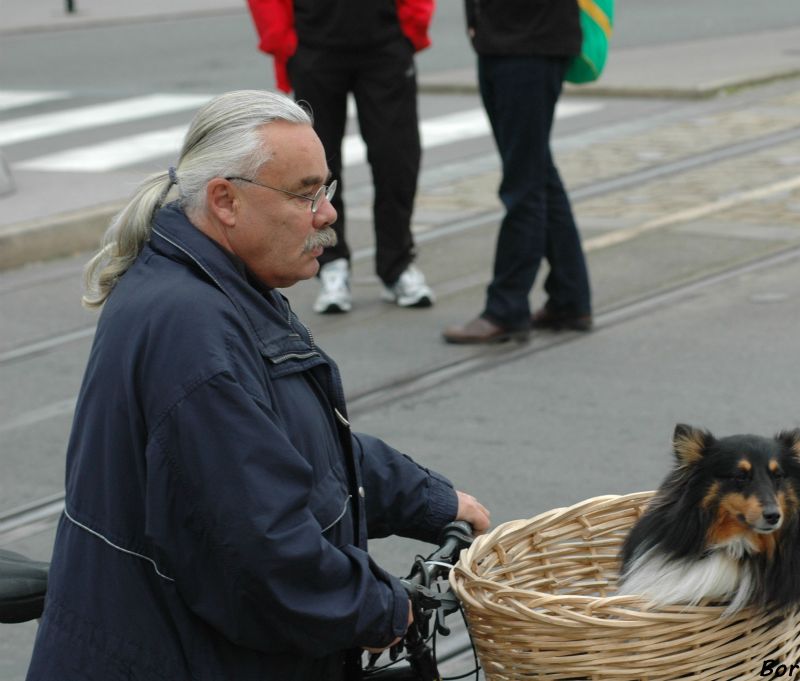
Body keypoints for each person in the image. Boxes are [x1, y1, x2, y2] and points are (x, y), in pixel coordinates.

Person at [26, 90, 490, 681]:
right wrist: (383, 609)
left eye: (327, 189)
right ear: (225, 200)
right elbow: (256, 552)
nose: (327, 214)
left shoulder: (219, 285)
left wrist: (431, 500)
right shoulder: (191, 327)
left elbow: (298, 448)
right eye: (305, 193)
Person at [246, 0, 435, 314]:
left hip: (385, 42)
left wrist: (412, 26)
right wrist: (283, 40)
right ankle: (331, 263)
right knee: (316, 165)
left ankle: (397, 264)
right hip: (314, 44)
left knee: (396, 158)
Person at [443, 0, 593, 344]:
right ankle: (570, 299)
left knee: (523, 183)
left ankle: (507, 309)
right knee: (537, 172)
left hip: (531, 42)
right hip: (501, 39)